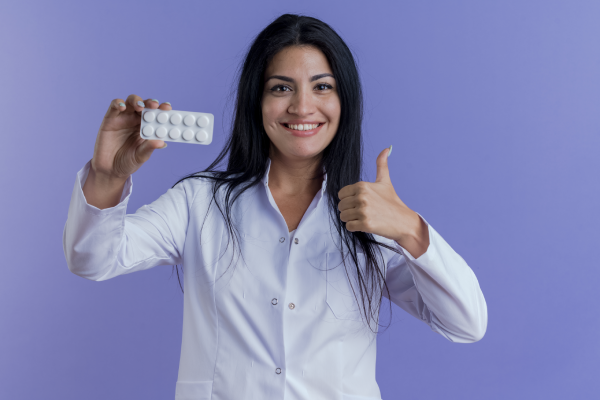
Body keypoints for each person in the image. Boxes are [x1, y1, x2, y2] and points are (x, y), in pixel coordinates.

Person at [63, 13, 487, 400]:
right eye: (281, 88)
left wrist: (411, 229)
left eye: (323, 86)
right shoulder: (200, 202)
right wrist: (107, 176)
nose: (302, 107)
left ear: (345, 102)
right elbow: (93, 259)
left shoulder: (372, 217)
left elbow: (466, 324)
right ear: (257, 101)